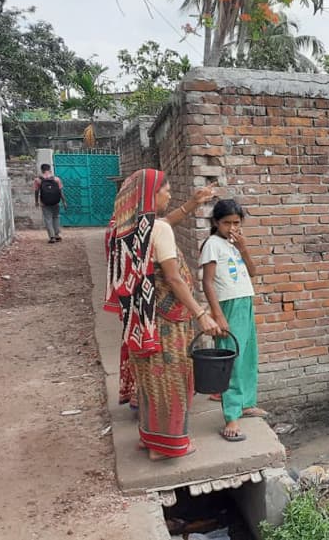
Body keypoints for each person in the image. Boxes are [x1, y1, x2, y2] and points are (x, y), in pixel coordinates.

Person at [105, 170, 220, 460]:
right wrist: (201, 314)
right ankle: (165, 447)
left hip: (139, 322)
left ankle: (149, 438)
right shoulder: (159, 231)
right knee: (173, 380)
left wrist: (193, 203)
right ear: (149, 195)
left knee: (149, 381)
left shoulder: (122, 228)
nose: (169, 194)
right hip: (166, 322)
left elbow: (162, 224)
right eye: (165, 190)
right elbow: (174, 278)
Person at [200, 199, 267, 443]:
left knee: (248, 357)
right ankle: (231, 416)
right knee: (231, 361)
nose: (231, 227)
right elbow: (207, 282)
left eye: (236, 223)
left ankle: (246, 403)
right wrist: (217, 315)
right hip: (228, 305)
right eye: (226, 223)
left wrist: (244, 248)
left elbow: (254, 272)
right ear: (216, 222)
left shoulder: (234, 245)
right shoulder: (212, 244)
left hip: (245, 301)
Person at [33, 163, 66, 243]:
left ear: (42, 170)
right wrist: (64, 201)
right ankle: (57, 235)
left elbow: (36, 192)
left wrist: (37, 202)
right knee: (56, 217)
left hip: (45, 203)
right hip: (56, 202)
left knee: (48, 219)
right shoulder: (57, 179)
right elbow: (61, 192)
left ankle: (52, 237)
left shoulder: (38, 180)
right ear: (50, 169)